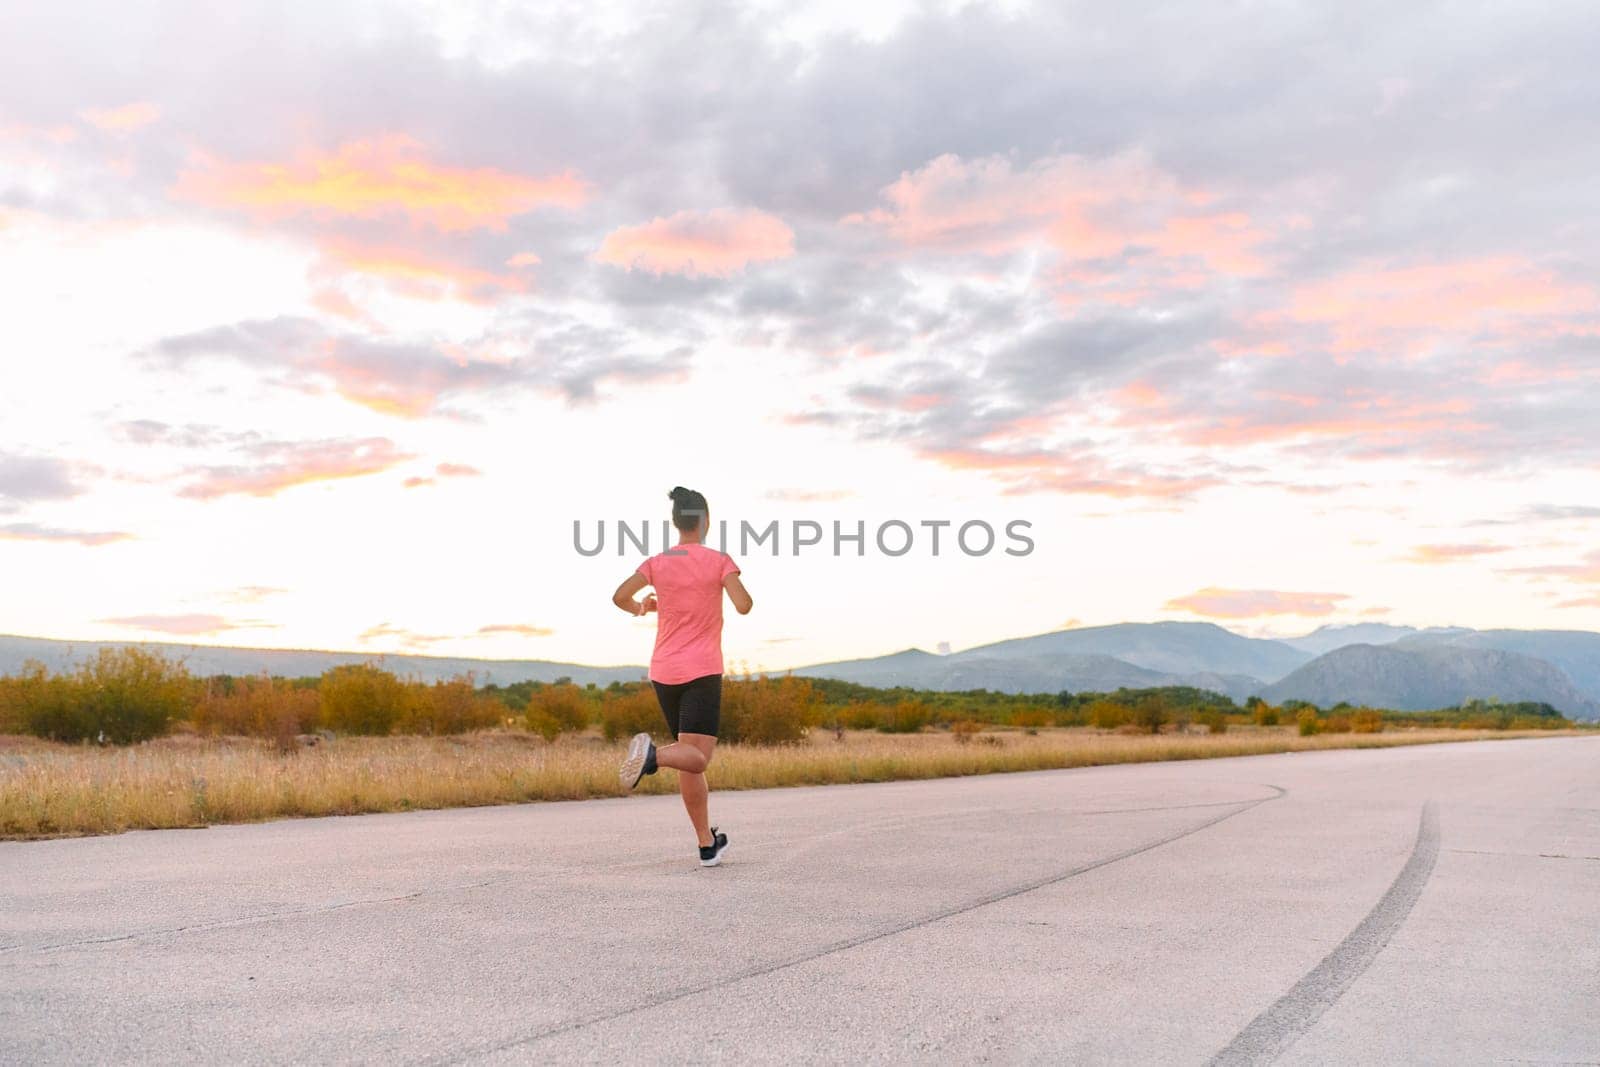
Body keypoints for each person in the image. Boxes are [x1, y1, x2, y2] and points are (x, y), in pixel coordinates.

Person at [613, 486, 753, 867]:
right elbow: (744, 605)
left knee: (687, 757)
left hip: (663, 671)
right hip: (702, 669)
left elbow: (619, 596)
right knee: (698, 757)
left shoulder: (658, 562)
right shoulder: (718, 560)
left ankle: (707, 844)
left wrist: (643, 607)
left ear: (675, 522)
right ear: (705, 521)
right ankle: (652, 756)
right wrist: (730, 587)